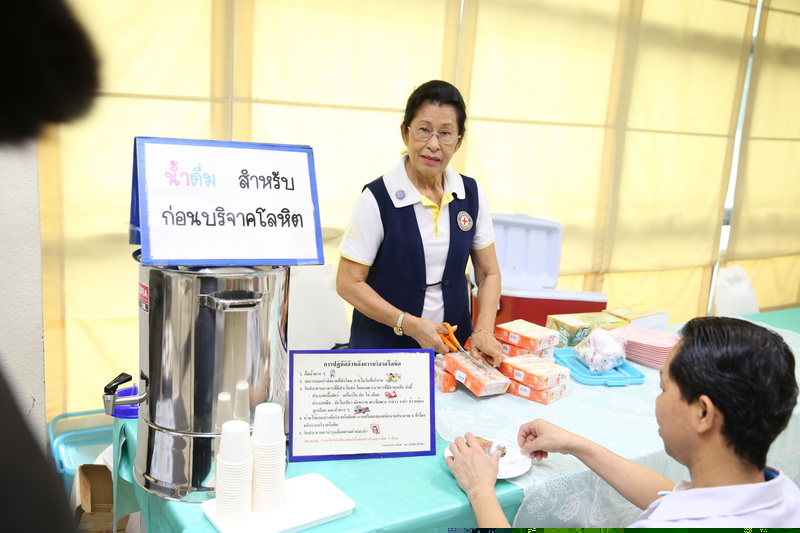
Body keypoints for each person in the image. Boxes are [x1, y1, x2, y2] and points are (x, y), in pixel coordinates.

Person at [445, 317, 800, 527]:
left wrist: (480, 491)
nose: (657, 400)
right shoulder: (783, 496)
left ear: (703, 413)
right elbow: (674, 498)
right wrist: (575, 444)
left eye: (664, 388)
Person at [336, 80, 504, 365]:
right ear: (405, 133)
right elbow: (348, 282)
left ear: (459, 141)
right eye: (424, 130)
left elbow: (488, 273)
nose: (433, 145)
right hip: (383, 353)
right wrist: (408, 323)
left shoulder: (471, 194)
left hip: (453, 351)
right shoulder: (378, 197)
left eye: (445, 133)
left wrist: (484, 330)